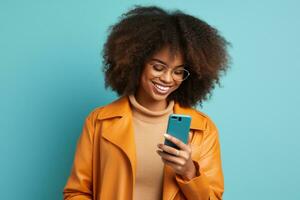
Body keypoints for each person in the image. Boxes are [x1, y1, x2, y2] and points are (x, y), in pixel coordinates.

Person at [63, 5, 230, 200]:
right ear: (136, 62)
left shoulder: (202, 129)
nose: (168, 79)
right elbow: (76, 193)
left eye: (178, 72)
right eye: (158, 67)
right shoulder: (99, 121)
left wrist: (189, 171)